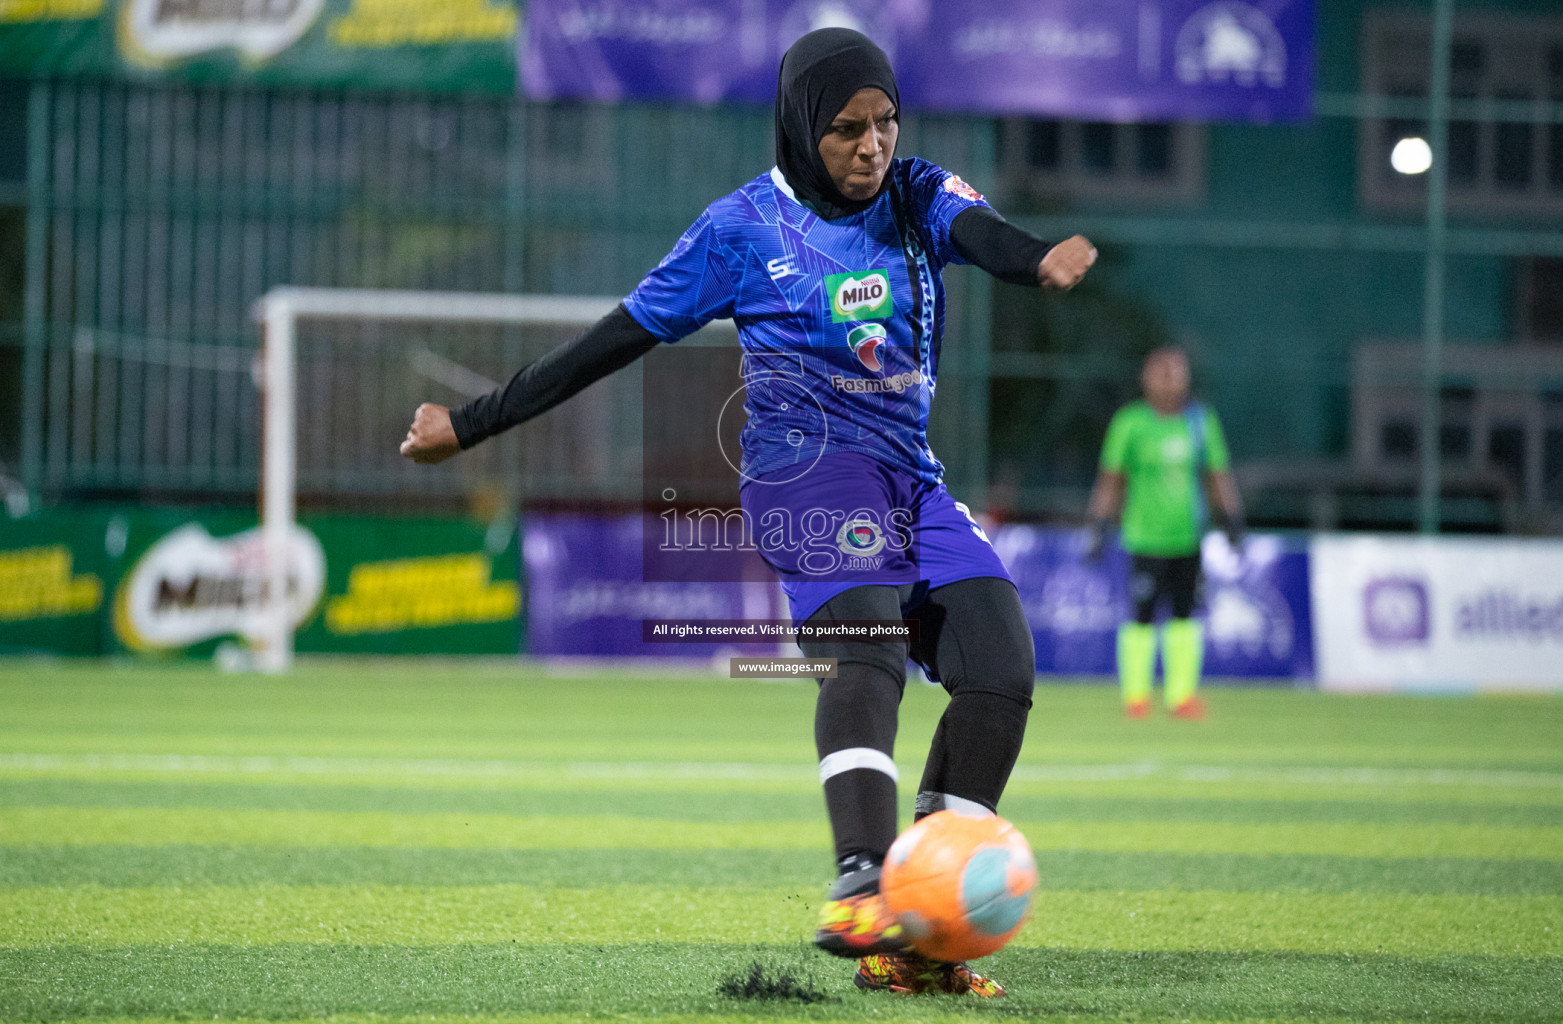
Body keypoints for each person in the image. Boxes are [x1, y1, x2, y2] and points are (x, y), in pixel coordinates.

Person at [401, 28, 1095, 997]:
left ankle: (924, 929)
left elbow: (985, 235)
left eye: (886, 121)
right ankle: (863, 878)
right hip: (807, 475)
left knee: (1000, 667)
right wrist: (469, 425)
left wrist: (1036, 260)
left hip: (911, 477)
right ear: (802, 127)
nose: (872, 144)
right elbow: (607, 344)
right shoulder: (738, 231)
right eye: (849, 127)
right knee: (868, 641)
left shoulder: (919, 193)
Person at [1086, 347, 1244, 720]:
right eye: (1162, 372)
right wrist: (1097, 525)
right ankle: (1137, 696)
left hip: (1188, 538)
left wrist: (1233, 518)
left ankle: (1181, 696)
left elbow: (1216, 475)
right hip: (1143, 538)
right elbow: (1111, 479)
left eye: (1176, 372)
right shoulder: (1130, 423)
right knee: (1141, 616)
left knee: (1185, 615)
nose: (1170, 379)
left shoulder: (1200, 422)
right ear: (1146, 378)